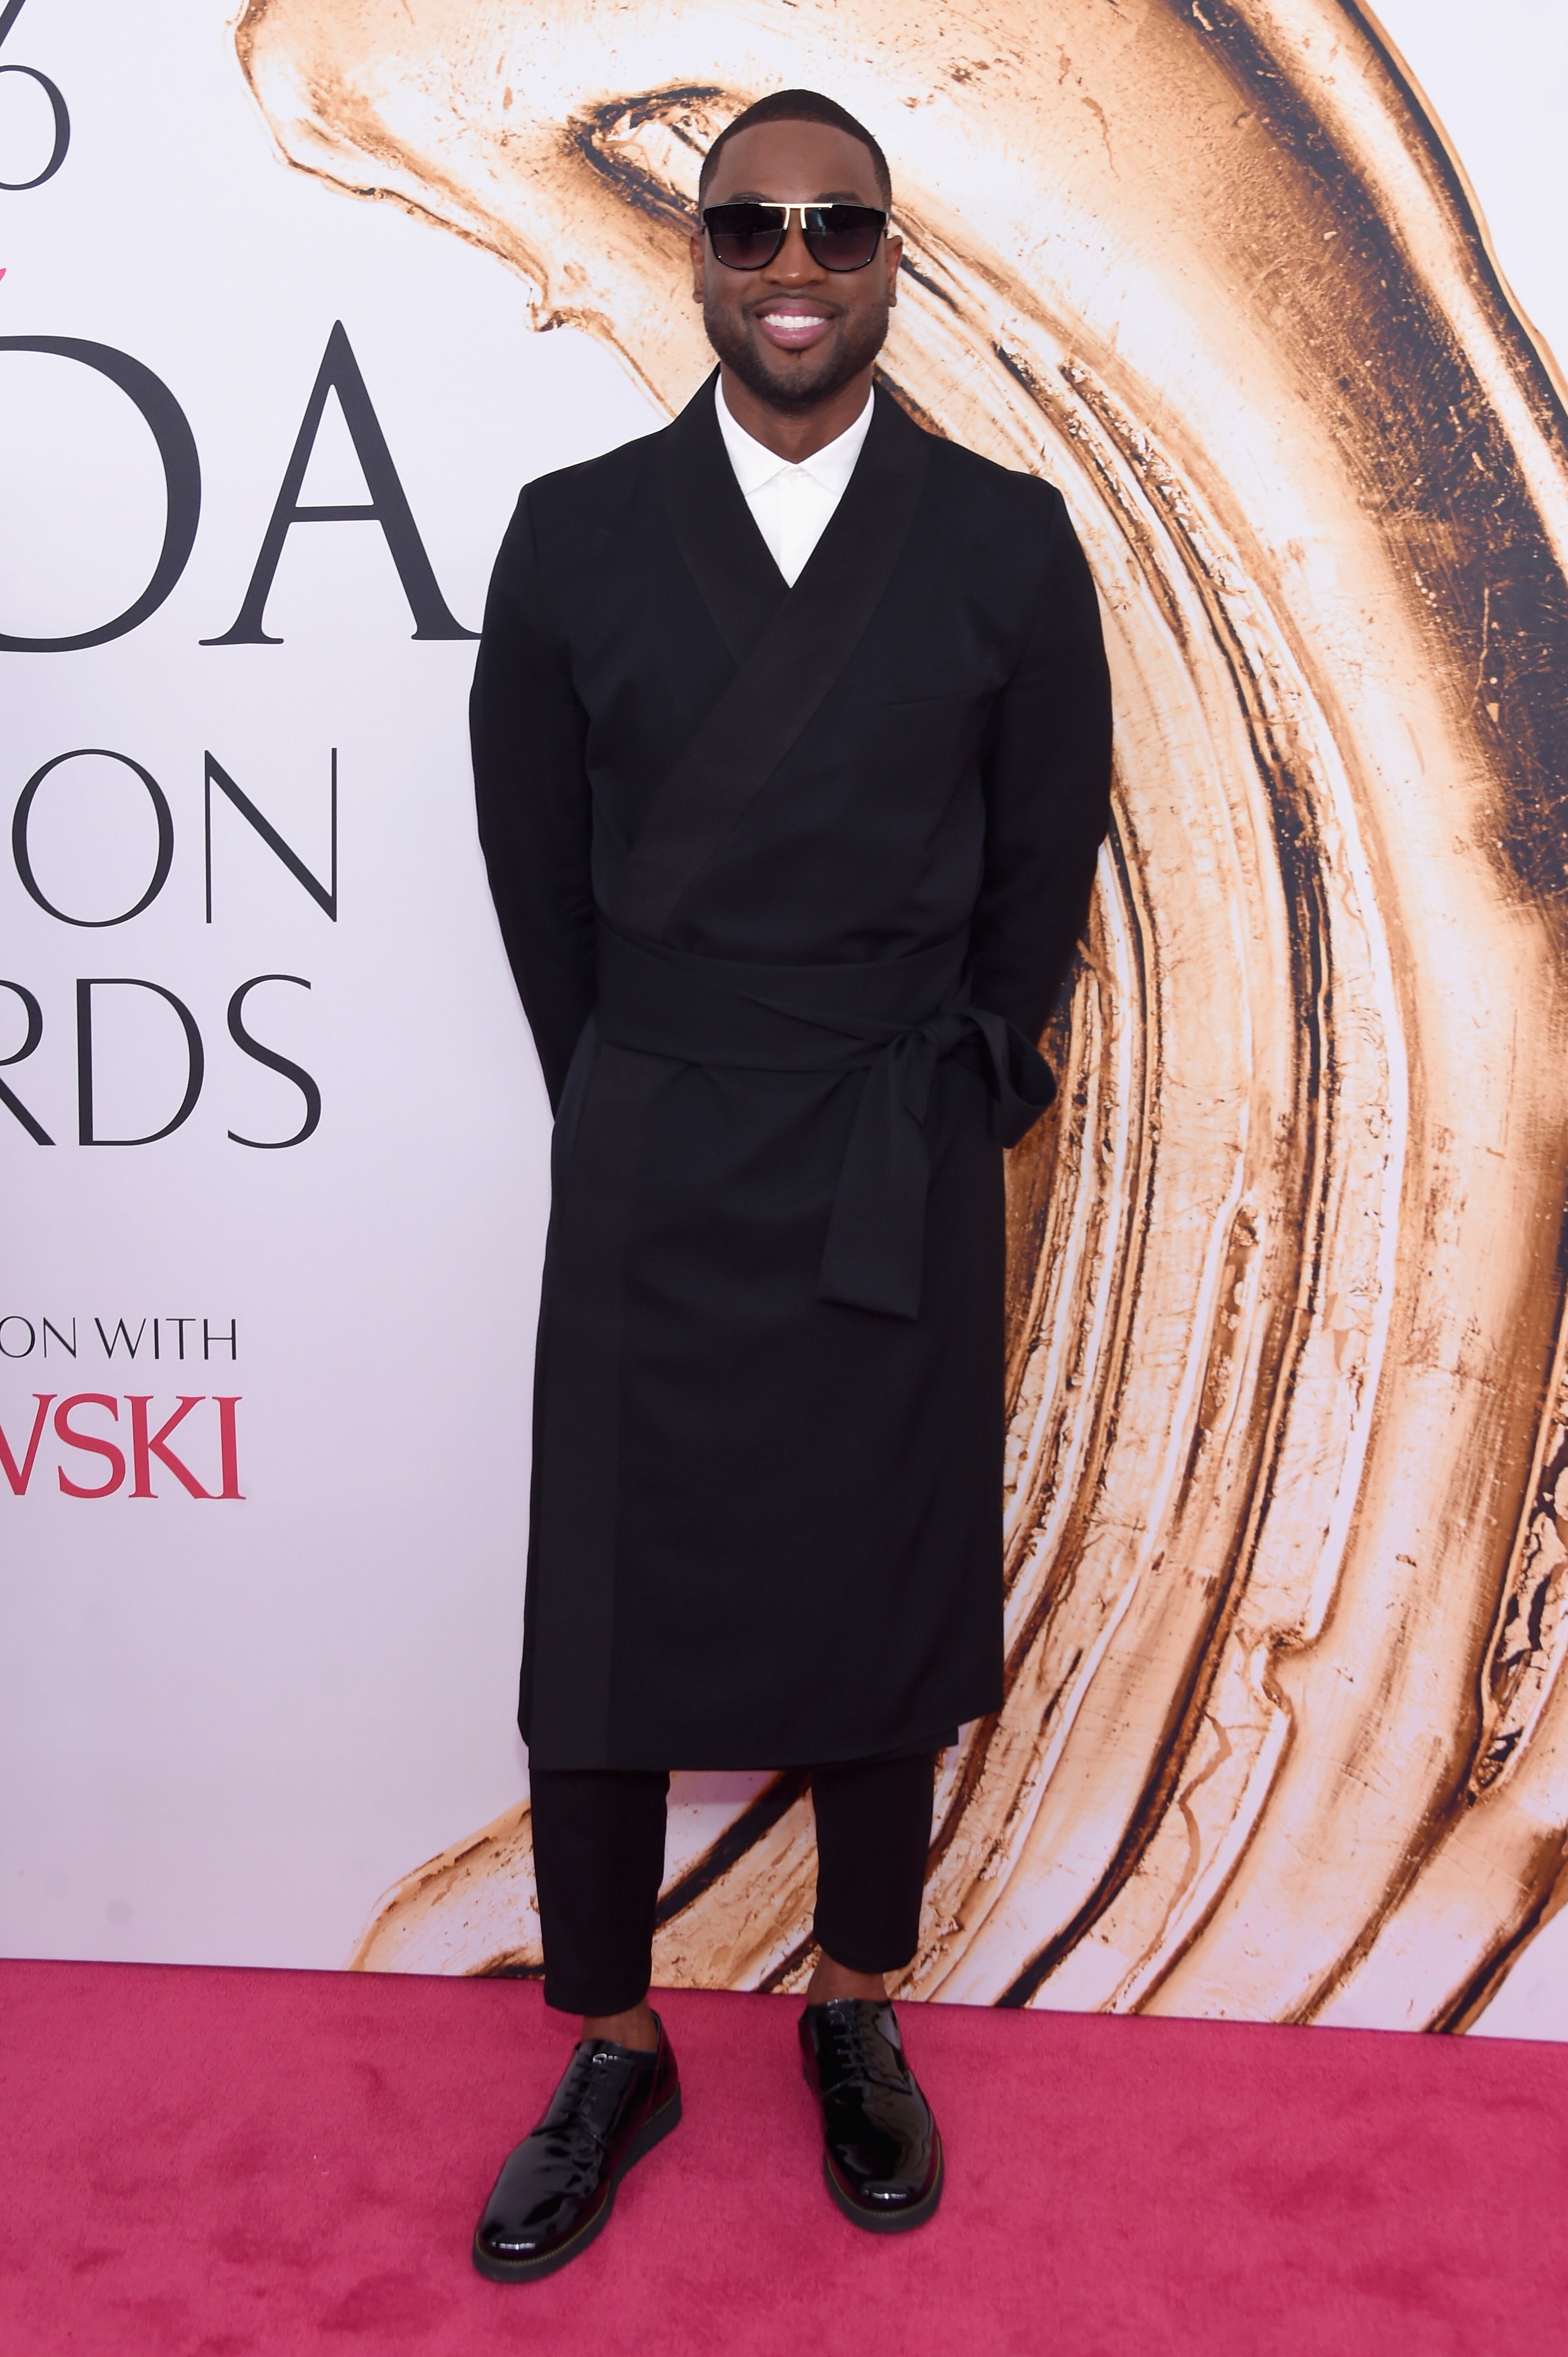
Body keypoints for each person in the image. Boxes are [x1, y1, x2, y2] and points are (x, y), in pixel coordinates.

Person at [468, 86, 1112, 2280]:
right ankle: (616, 2037)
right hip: (661, 1139)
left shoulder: (1009, 541)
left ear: (892, 252)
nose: (797, 266)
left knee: (875, 1604)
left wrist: (958, 1091)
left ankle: (853, 2009)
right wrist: (639, 1082)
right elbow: (535, 887)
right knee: (613, 1619)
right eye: (754, 228)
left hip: (883, 1142)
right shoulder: (571, 538)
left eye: (839, 224)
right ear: (699, 256)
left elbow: (1042, 894)